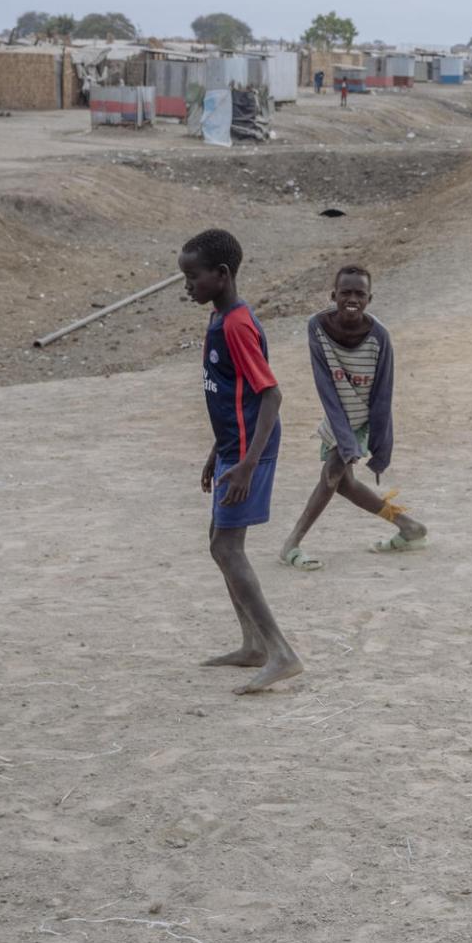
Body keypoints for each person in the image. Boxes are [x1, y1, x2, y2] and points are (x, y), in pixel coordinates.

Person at [178, 228, 302, 695]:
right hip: (234, 449)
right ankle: (252, 645)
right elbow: (233, 396)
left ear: (222, 274)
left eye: (193, 276)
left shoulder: (236, 325)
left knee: (229, 549)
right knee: (219, 544)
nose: (187, 285)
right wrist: (218, 450)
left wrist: (247, 463)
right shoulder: (218, 318)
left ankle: (281, 652)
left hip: (252, 451)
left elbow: (270, 394)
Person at [278, 265, 426, 568]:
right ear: (333, 295)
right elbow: (324, 384)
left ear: (369, 298)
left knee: (332, 474)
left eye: (360, 293)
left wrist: (379, 441)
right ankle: (409, 527)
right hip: (336, 416)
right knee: (343, 483)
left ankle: (291, 544)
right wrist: (342, 436)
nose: (352, 298)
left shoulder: (379, 337)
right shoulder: (316, 327)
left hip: (363, 419)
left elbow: (383, 393)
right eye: (345, 292)